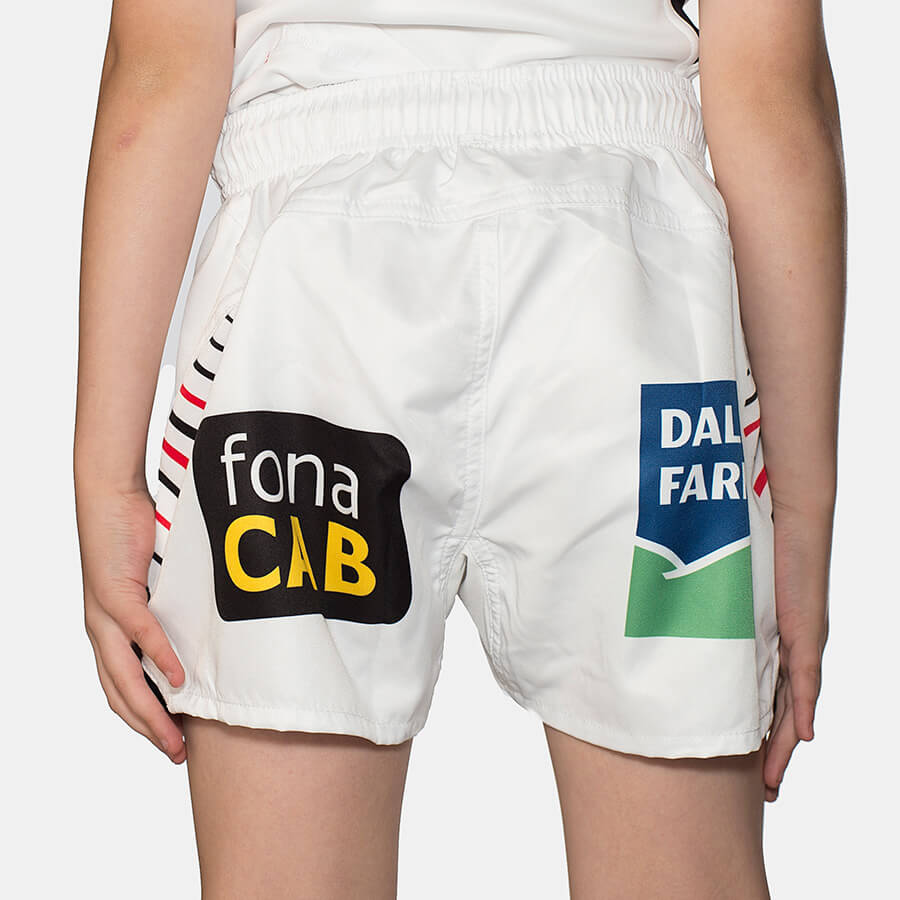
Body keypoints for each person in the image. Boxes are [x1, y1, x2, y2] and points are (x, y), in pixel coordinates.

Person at [74, 1, 843, 897]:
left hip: (312, 285)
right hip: (632, 280)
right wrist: (802, 507)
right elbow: (775, 94)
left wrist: (106, 477)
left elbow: (159, 70)